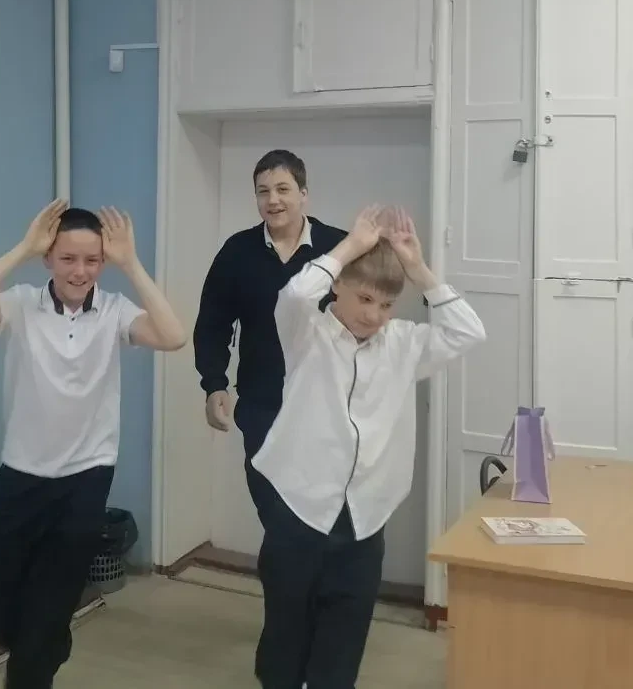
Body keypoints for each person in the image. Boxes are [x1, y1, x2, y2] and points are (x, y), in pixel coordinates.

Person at [0, 199, 187, 689]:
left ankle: (38, 656)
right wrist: (21, 248)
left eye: (92, 260)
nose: (80, 271)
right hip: (22, 473)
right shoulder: (21, 305)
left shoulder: (115, 312)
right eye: (68, 258)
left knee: (49, 609)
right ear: (48, 259)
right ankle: (38, 644)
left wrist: (131, 265)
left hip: (85, 478)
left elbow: (173, 336)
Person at [252, 205, 486, 689]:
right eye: (364, 299)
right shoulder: (306, 332)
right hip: (298, 510)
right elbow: (296, 293)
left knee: (344, 637)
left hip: (364, 518)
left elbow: (468, 332)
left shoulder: (405, 344)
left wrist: (418, 268)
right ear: (338, 286)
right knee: (286, 634)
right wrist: (350, 247)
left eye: (386, 305)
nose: (373, 315)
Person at [193, 149, 346, 521]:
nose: (273, 200)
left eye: (283, 189)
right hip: (263, 405)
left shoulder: (339, 247)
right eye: (263, 191)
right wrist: (214, 383)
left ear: (303, 194)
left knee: (328, 516)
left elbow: (369, 314)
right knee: (275, 515)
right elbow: (213, 323)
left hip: (328, 406)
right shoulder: (237, 251)